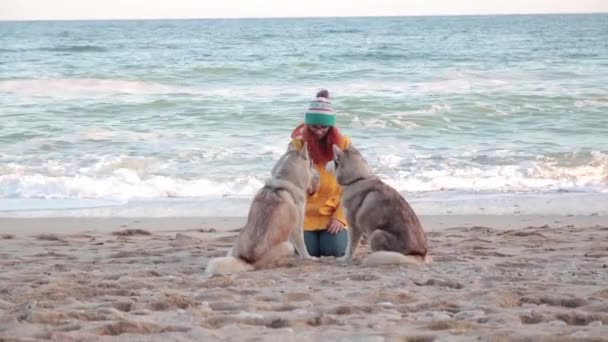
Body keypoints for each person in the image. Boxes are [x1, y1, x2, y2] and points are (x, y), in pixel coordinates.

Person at [288, 89, 351, 257]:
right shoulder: (297, 146)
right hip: (304, 215)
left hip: (332, 212)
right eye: (315, 126)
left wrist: (340, 216)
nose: (319, 130)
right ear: (307, 125)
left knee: (334, 250)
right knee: (308, 251)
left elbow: (352, 184)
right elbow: (288, 184)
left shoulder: (343, 144)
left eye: (324, 127)